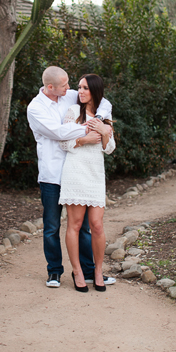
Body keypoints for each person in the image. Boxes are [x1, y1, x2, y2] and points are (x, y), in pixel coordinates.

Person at [26, 66, 115, 288]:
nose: (71, 89)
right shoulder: (36, 108)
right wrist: (89, 130)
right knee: (52, 226)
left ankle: (88, 271)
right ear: (50, 87)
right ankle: (55, 271)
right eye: (65, 85)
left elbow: (102, 101)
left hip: (79, 170)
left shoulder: (69, 95)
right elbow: (58, 133)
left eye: (71, 84)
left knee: (84, 226)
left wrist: (101, 122)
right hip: (53, 173)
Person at [58, 73, 115, 292]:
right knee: (74, 224)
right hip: (75, 171)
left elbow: (110, 150)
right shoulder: (73, 112)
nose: (80, 91)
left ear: (95, 91)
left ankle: (98, 271)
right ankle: (78, 271)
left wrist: (103, 133)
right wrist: (84, 140)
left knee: (97, 225)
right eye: (79, 88)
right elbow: (63, 143)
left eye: (85, 88)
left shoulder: (105, 116)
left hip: (95, 174)